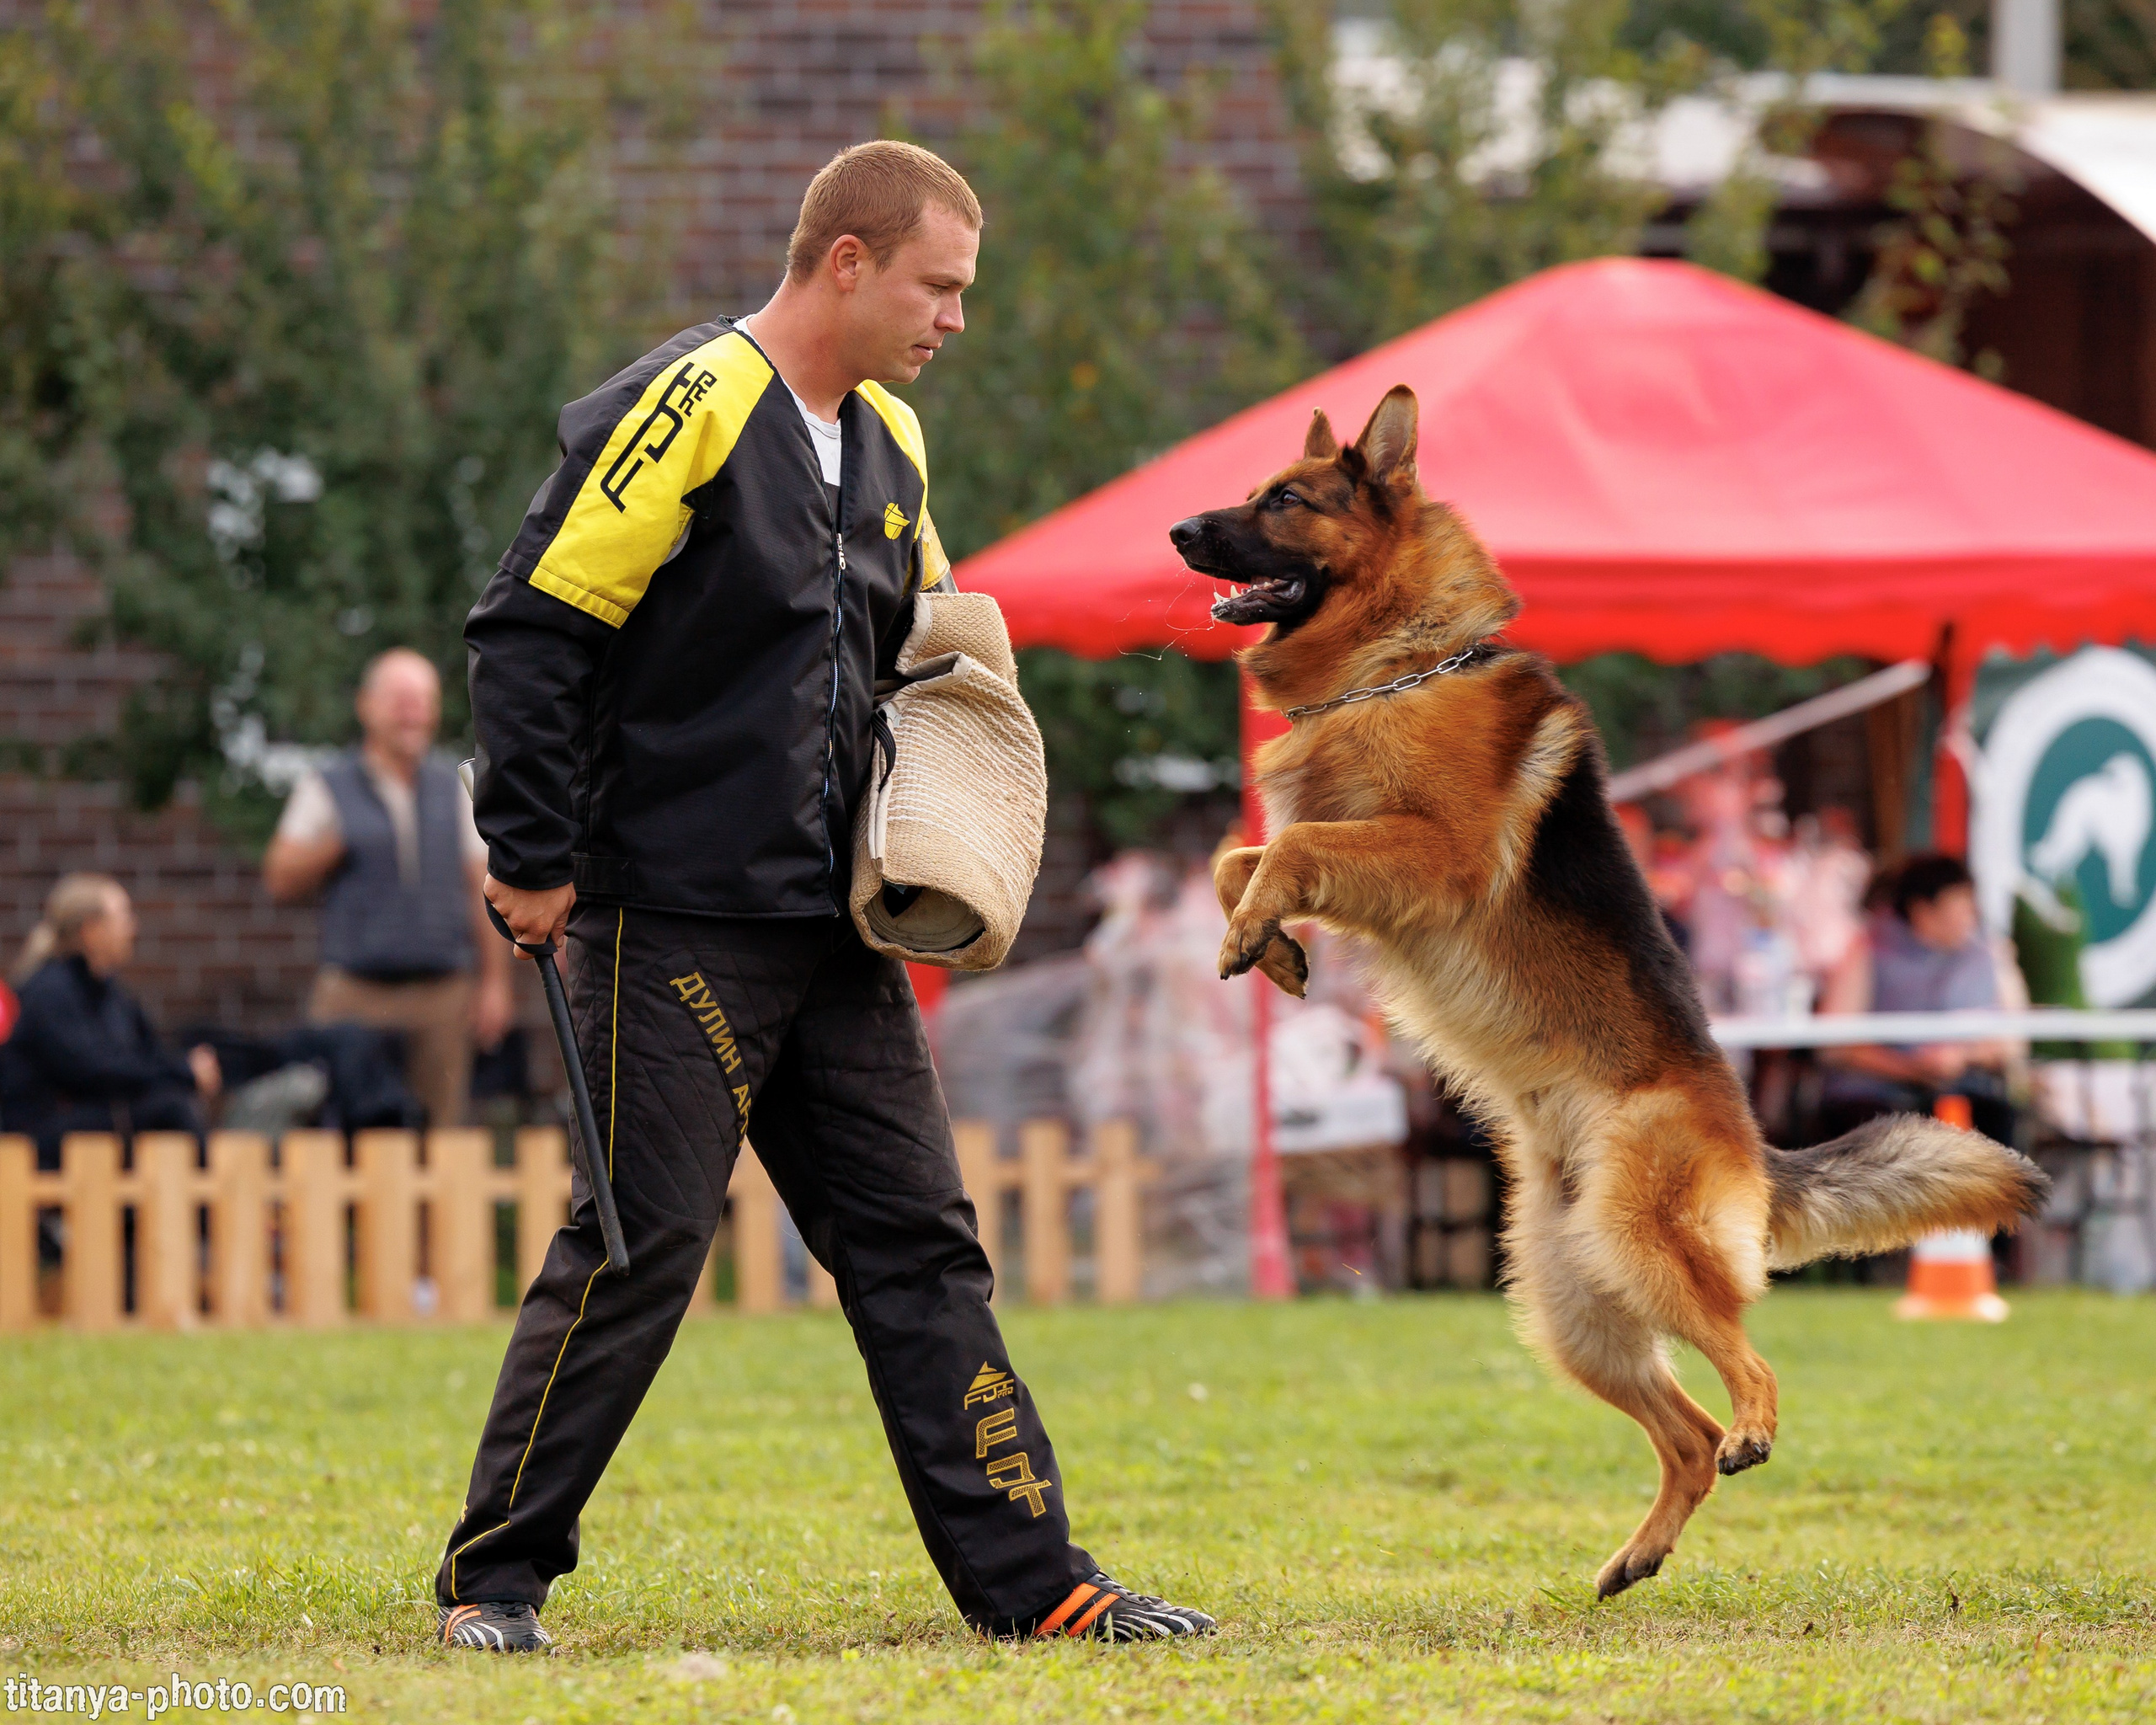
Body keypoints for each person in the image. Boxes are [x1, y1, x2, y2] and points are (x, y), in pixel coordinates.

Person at [435, 142, 1214, 1653]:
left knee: (922, 1243)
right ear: (845, 262)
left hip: (838, 934)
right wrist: (532, 855)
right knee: (640, 1245)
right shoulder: (691, 406)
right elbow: (528, 630)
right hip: (667, 915)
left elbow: (931, 652)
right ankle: (495, 1576)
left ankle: (1040, 1583)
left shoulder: (898, 444)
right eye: (940, 286)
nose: (955, 320)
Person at [263, 648, 513, 1129]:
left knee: (441, 1138)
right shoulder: (328, 785)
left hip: (442, 993)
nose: (412, 711)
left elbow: (480, 888)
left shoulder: (456, 786)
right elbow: (279, 876)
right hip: (354, 991)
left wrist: (495, 984)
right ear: (366, 706)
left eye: (422, 699)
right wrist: (338, 844)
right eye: (399, 699)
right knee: (337, 1130)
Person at [0, 874, 221, 1170]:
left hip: (91, 1126)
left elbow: (145, 1055)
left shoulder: (112, 994)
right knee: (169, 1110)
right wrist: (182, 1073)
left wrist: (186, 1069)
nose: (133, 928)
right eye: (124, 916)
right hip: (42, 1137)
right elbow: (90, 1069)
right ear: (91, 929)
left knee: (170, 1104)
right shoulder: (50, 990)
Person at [1817, 852, 2019, 1145]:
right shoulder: (1867, 950)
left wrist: (1962, 1057)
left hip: (1964, 1091)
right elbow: (1833, 1046)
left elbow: (2011, 1041)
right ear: (1922, 911)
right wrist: (1909, 1068)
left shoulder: (1986, 953)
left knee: (1998, 1126)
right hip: (1877, 1094)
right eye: (1958, 907)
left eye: (1970, 906)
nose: (1969, 918)